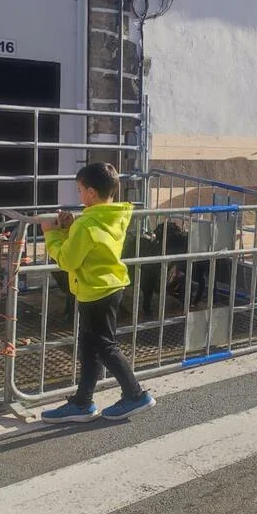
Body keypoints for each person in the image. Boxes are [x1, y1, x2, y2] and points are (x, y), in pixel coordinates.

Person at [40, 163, 155, 422]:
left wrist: (52, 235)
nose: (79, 196)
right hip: (108, 286)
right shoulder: (111, 216)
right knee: (90, 348)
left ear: (91, 192)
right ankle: (83, 402)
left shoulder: (86, 224)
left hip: (95, 291)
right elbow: (89, 249)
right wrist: (68, 229)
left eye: (80, 190)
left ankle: (135, 395)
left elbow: (68, 260)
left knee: (104, 347)